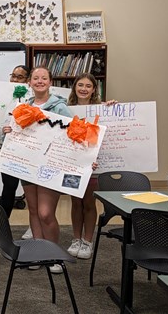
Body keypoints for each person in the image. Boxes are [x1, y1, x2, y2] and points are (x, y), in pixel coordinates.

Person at [2, 66, 73, 274]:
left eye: (44, 78)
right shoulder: (24, 106)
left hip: (50, 167)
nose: (40, 81)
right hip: (28, 165)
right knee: (33, 211)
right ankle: (40, 252)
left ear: (50, 82)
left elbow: (72, 133)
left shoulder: (60, 107)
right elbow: (20, 131)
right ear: (30, 83)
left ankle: (54, 255)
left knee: (45, 213)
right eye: (36, 78)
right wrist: (10, 130)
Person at [66, 73, 116, 260]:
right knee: (75, 202)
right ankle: (75, 239)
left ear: (94, 89)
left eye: (88, 86)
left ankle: (87, 241)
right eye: (80, 85)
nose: (84, 89)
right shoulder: (67, 109)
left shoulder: (101, 110)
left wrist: (111, 108)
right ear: (74, 87)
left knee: (88, 202)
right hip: (72, 165)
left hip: (92, 166)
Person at [0, 65, 33, 240]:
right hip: (9, 148)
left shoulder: (32, 97)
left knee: (30, 191)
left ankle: (33, 227)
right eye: (13, 76)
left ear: (27, 80)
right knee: (9, 187)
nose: (15, 80)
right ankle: (2, 224)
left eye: (19, 77)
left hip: (29, 150)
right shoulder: (3, 97)